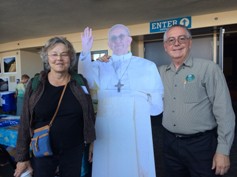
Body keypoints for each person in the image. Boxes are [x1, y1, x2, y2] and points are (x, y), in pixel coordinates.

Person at [78, 24, 164, 177]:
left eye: (121, 36)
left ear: (130, 40)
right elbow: (85, 80)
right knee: (108, 167)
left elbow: (156, 102)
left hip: (136, 127)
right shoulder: (99, 66)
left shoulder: (147, 66)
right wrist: (85, 51)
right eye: (113, 38)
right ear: (109, 44)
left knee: (136, 167)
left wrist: (138, 112)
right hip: (108, 128)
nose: (117, 41)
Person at [159, 25, 236, 177]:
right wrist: (103, 64)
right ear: (165, 46)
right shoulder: (159, 72)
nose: (176, 43)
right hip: (169, 143)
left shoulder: (208, 69)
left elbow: (224, 111)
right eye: (171, 40)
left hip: (201, 146)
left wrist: (223, 150)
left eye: (182, 38)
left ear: (190, 43)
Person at [14, 37, 96, 177]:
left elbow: (89, 114)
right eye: (54, 54)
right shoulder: (35, 84)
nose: (59, 58)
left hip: (73, 150)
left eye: (64, 54)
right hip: (42, 149)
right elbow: (25, 121)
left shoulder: (80, 82)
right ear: (47, 58)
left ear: (70, 58)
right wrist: (22, 157)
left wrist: (91, 143)